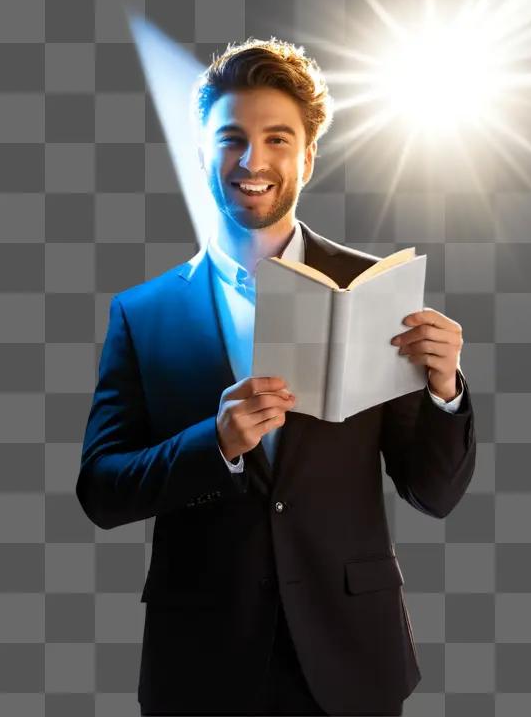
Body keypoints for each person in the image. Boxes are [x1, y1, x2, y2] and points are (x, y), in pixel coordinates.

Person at [75, 37, 476, 715]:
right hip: (201, 656)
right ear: (204, 151)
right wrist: (216, 444)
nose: (253, 161)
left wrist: (445, 392)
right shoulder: (144, 315)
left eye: (278, 139)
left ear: (308, 156)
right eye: (231, 139)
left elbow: (433, 493)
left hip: (350, 655)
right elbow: (102, 490)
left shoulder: (376, 291)